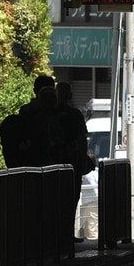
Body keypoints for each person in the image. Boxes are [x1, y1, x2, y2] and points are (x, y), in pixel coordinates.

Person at [56, 81, 91, 239]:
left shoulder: (49, 113)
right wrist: (83, 161)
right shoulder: (74, 114)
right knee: (71, 199)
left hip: (52, 163)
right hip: (71, 163)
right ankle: (67, 234)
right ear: (70, 96)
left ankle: (54, 235)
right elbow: (82, 139)